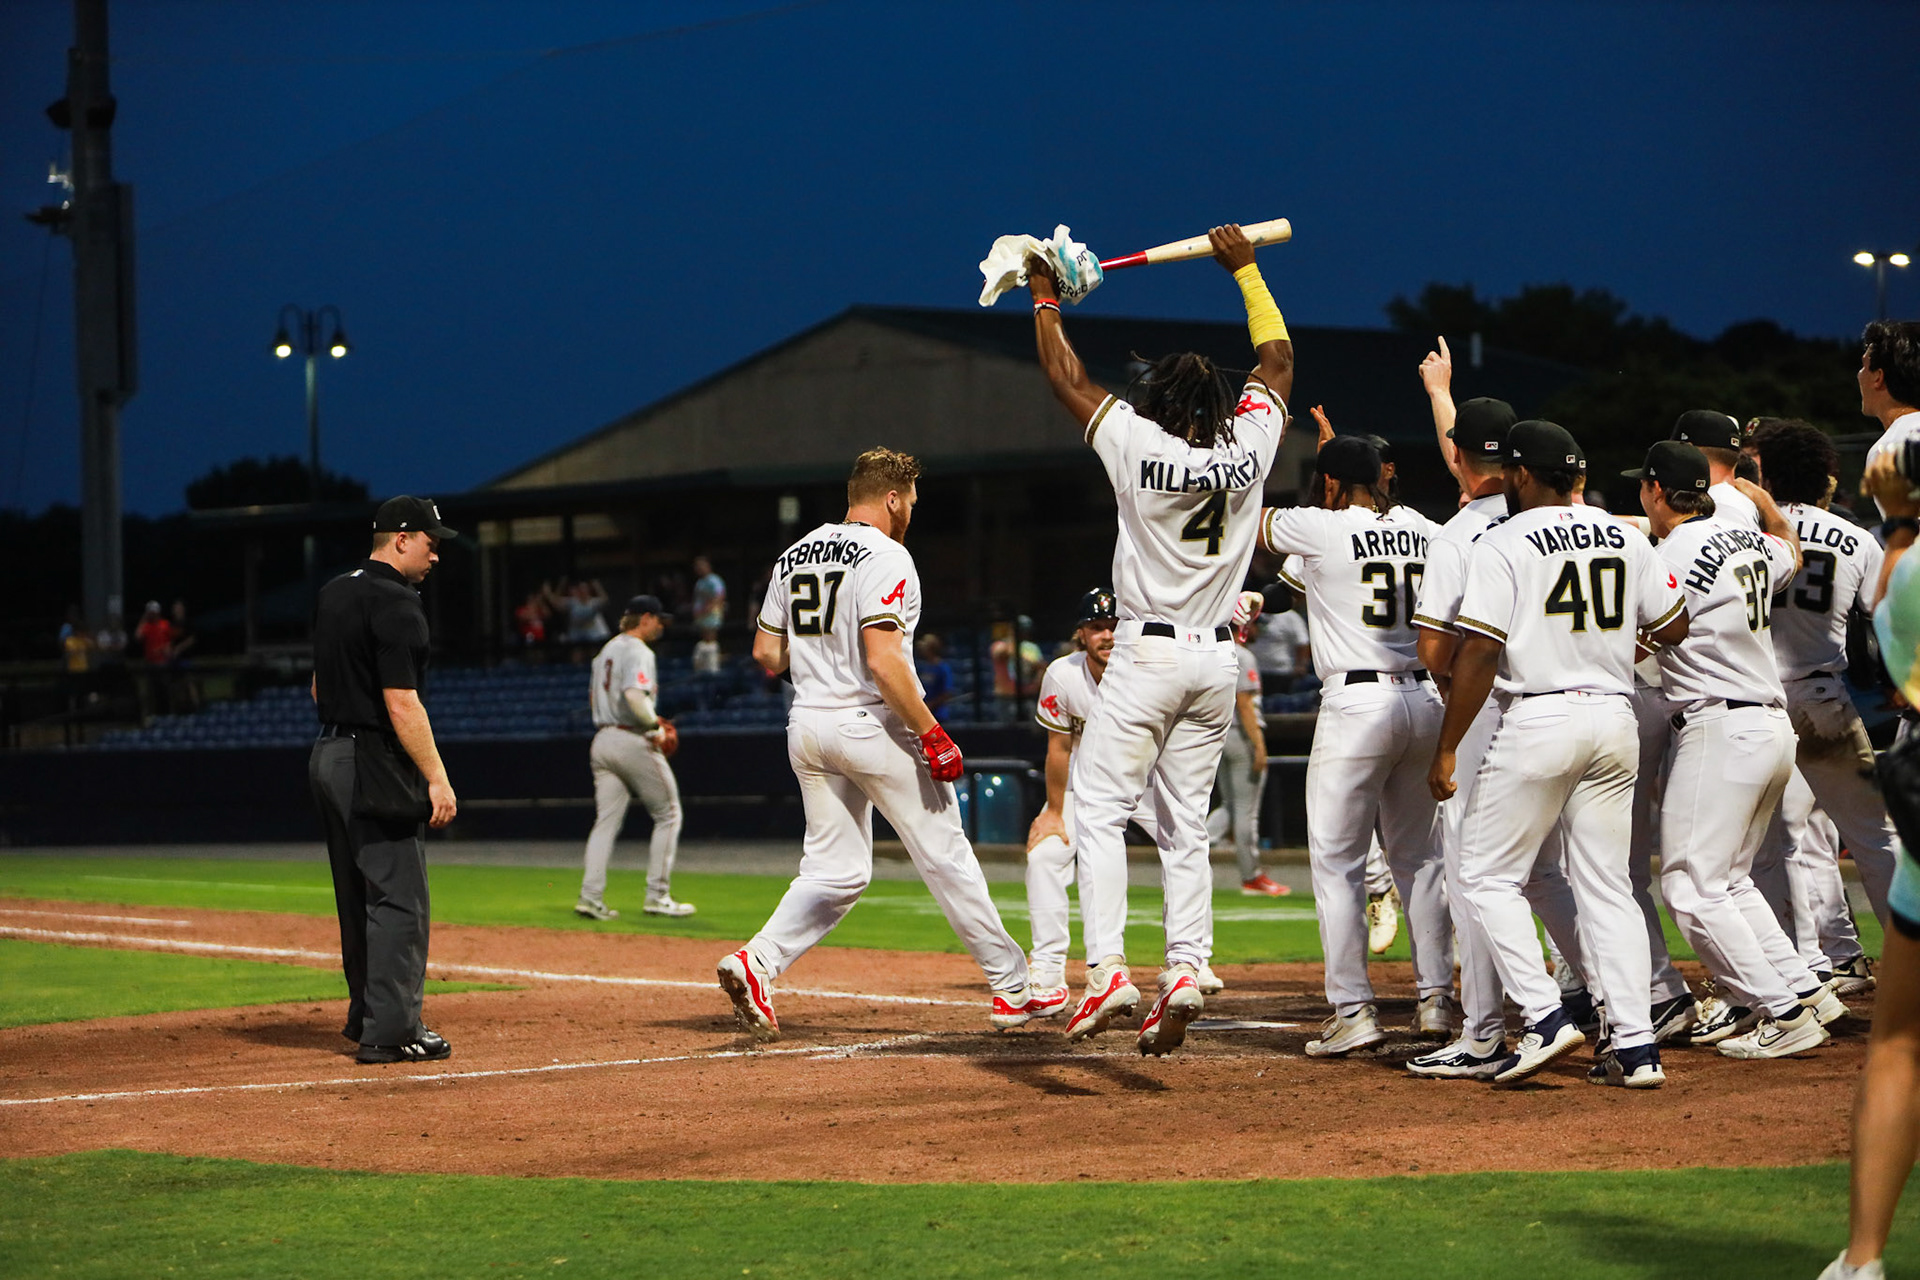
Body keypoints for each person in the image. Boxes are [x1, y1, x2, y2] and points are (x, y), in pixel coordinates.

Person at [1025, 223, 1290, 1055]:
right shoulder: (1250, 443)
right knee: (1184, 828)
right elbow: (1276, 362)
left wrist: (1044, 298)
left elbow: (1065, 375)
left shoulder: (1138, 444)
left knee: (1097, 816)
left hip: (1145, 654)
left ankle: (1107, 970)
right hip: (1219, 661)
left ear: (1160, 407)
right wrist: (1243, 270)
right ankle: (1186, 967)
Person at [719, 448, 1035, 1040]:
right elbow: (884, 660)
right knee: (945, 854)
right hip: (869, 721)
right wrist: (932, 732)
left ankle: (755, 962)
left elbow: (766, 654)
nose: (912, 509)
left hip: (807, 724)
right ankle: (1013, 989)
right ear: (892, 497)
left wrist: (821, 676)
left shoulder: (794, 554)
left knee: (836, 870)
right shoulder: (889, 555)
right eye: (911, 498)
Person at [1428, 421, 1691, 1088]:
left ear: (1520, 475)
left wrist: (1449, 746)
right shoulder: (1625, 534)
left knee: (1486, 875)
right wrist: (1606, 653)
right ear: (1576, 476)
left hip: (1542, 715)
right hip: (1615, 714)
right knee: (1609, 888)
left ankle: (1546, 1018)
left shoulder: (1504, 539)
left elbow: (1481, 652)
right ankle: (1636, 1047)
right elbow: (1673, 625)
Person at [1630, 440, 1848, 1061]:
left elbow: (1650, 640)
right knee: (1730, 880)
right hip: (1770, 725)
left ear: (1655, 490)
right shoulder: (1747, 540)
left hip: (1720, 725)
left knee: (1689, 887)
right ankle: (1806, 991)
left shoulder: (1669, 552)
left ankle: (1779, 1012)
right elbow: (1791, 549)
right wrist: (1763, 501)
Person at [1259, 437, 1458, 1054]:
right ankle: (1435, 1002)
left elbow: (1250, 518)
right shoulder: (1424, 527)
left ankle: (1353, 1010)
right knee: (1422, 860)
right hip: (1426, 700)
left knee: (1339, 862)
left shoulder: (1317, 525)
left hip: (1357, 703)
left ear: (1327, 483)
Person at [308, 495, 459, 1064]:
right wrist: (436, 779)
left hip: (326, 753)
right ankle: (392, 1031)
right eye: (430, 541)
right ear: (401, 538)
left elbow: (319, 689)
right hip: (370, 757)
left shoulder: (335, 590)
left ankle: (365, 1015)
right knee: (400, 902)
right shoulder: (398, 602)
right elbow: (402, 704)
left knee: (358, 898)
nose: (436, 554)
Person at [1748, 418, 1897, 987]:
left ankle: (1796, 976)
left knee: (1767, 848)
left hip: (1759, 701)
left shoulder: (1745, 533)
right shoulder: (1855, 538)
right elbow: (1886, 619)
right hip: (1824, 698)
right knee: (1875, 840)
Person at [577, 595, 691, 921]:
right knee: (669, 813)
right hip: (629, 737)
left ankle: (590, 896)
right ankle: (658, 895)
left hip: (602, 738)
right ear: (644, 619)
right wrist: (654, 725)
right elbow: (633, 694)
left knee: (605, 823)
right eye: (657, 619)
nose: (660, 625)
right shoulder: (638, 650)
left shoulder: (605, 652)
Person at [1217, 621, 1284, 896]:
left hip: (1218, 735)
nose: (1257, 628)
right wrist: (1259, 745)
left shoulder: (1215, 650)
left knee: (1232, 807)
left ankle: (1187, 844)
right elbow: (1244, 703)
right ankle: (1251, 875)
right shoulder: (1242, 654)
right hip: (1241, 736)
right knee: (1246, 811)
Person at [916, 633, 955, 720]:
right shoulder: (924, 667)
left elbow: (947, 692)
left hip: (938, 715)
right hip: (924, 713)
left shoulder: (943, 668)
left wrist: (931, 704)